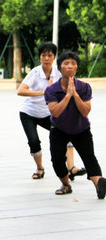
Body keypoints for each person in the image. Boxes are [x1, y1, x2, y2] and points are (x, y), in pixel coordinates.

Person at [17, 42, 86, 180]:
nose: (46, 58)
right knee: (34, 141)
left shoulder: (58, 72)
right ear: (40, 57)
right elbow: (21, 91)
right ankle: (40, 168)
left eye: (50, 55)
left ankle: (71, 168)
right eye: (43, 55)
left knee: (68, 133)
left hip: (48, 112)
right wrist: (44, 92)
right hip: (29, 113)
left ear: (54, 57)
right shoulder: (35, 72)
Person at [45, 51, 106, 198]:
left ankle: (99, 184)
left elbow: (85, 112)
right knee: (57, 160)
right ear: (59, 68)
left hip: (81, 129)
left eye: (73, 63)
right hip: (59, 129)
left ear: (77, 68)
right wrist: (67, 96)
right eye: (66, 63)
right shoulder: (51, 90)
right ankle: (66, 184)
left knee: (89, 158)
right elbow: (55, 112)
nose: (70, 66)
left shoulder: (84, 87)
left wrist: (75, 95)